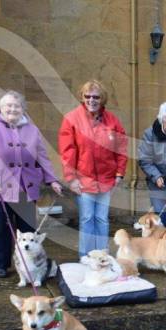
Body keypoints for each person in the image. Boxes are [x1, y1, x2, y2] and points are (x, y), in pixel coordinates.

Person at [0, 90, 63, 278]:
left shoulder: (32, 130)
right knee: (1, 230)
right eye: (8, 105)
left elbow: (43, 157)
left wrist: (52, 179)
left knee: (28, 231)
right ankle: (2, 264)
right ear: (0, 108)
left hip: (26, 188)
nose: (12, 109)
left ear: (23, 109)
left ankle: (30, 266)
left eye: (17, 105)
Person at [59, 80, 127, 258]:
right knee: (87, 219)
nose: (91, 100)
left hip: (106, 179)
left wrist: (119, 173)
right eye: (87, 96)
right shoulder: (72, 119)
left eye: (96, 97)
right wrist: (71, 178)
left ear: (102, 99)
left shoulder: (112, 121)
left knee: (102, 219)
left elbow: (121, 148)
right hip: (84, 179)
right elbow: (68, 151)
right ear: (82, 97)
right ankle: (86, 256)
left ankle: (102, 255)